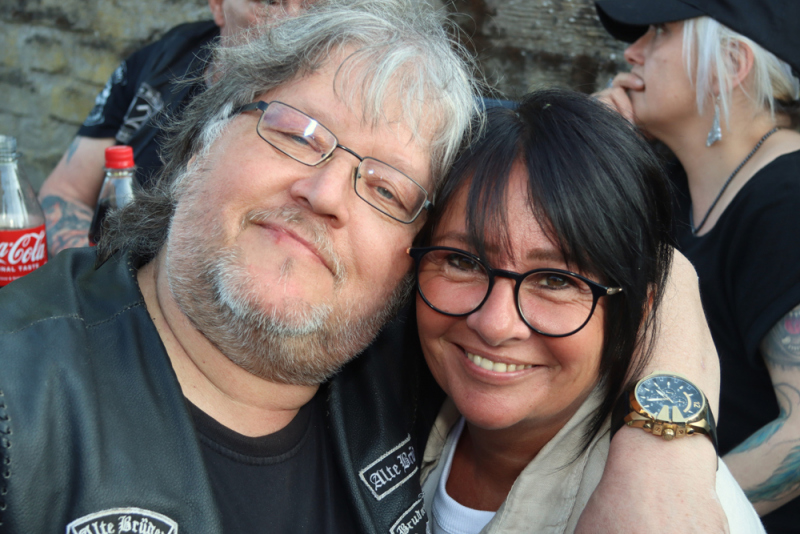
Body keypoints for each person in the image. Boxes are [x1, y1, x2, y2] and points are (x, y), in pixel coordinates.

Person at [1, 1, 724, 532]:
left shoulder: (418, 354)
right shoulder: (23, 402)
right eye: (296, 133)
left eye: (387, 189)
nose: (323, 194)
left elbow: (646, 267)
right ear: (201, 143)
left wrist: (663, 463)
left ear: (415, 260)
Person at [410, 89, 763, 533]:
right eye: (462, 262)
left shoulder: (672, 511)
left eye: (556, 281)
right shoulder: (381, 398)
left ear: (633, 310)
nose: (496, 324)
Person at [594, 1, 800, 531]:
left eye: (660, 31)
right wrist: (598, 153)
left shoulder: (788, 199)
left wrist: (658, 512)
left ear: (730, 64)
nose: (632, 52)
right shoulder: (670, 185)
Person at [38, 0, 310, 256]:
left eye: (314, 5)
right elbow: (65, 193)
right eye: (271, 2)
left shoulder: (321, 111)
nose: (296, 20)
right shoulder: (167, 57)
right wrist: (95, 276)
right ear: (218, 6)